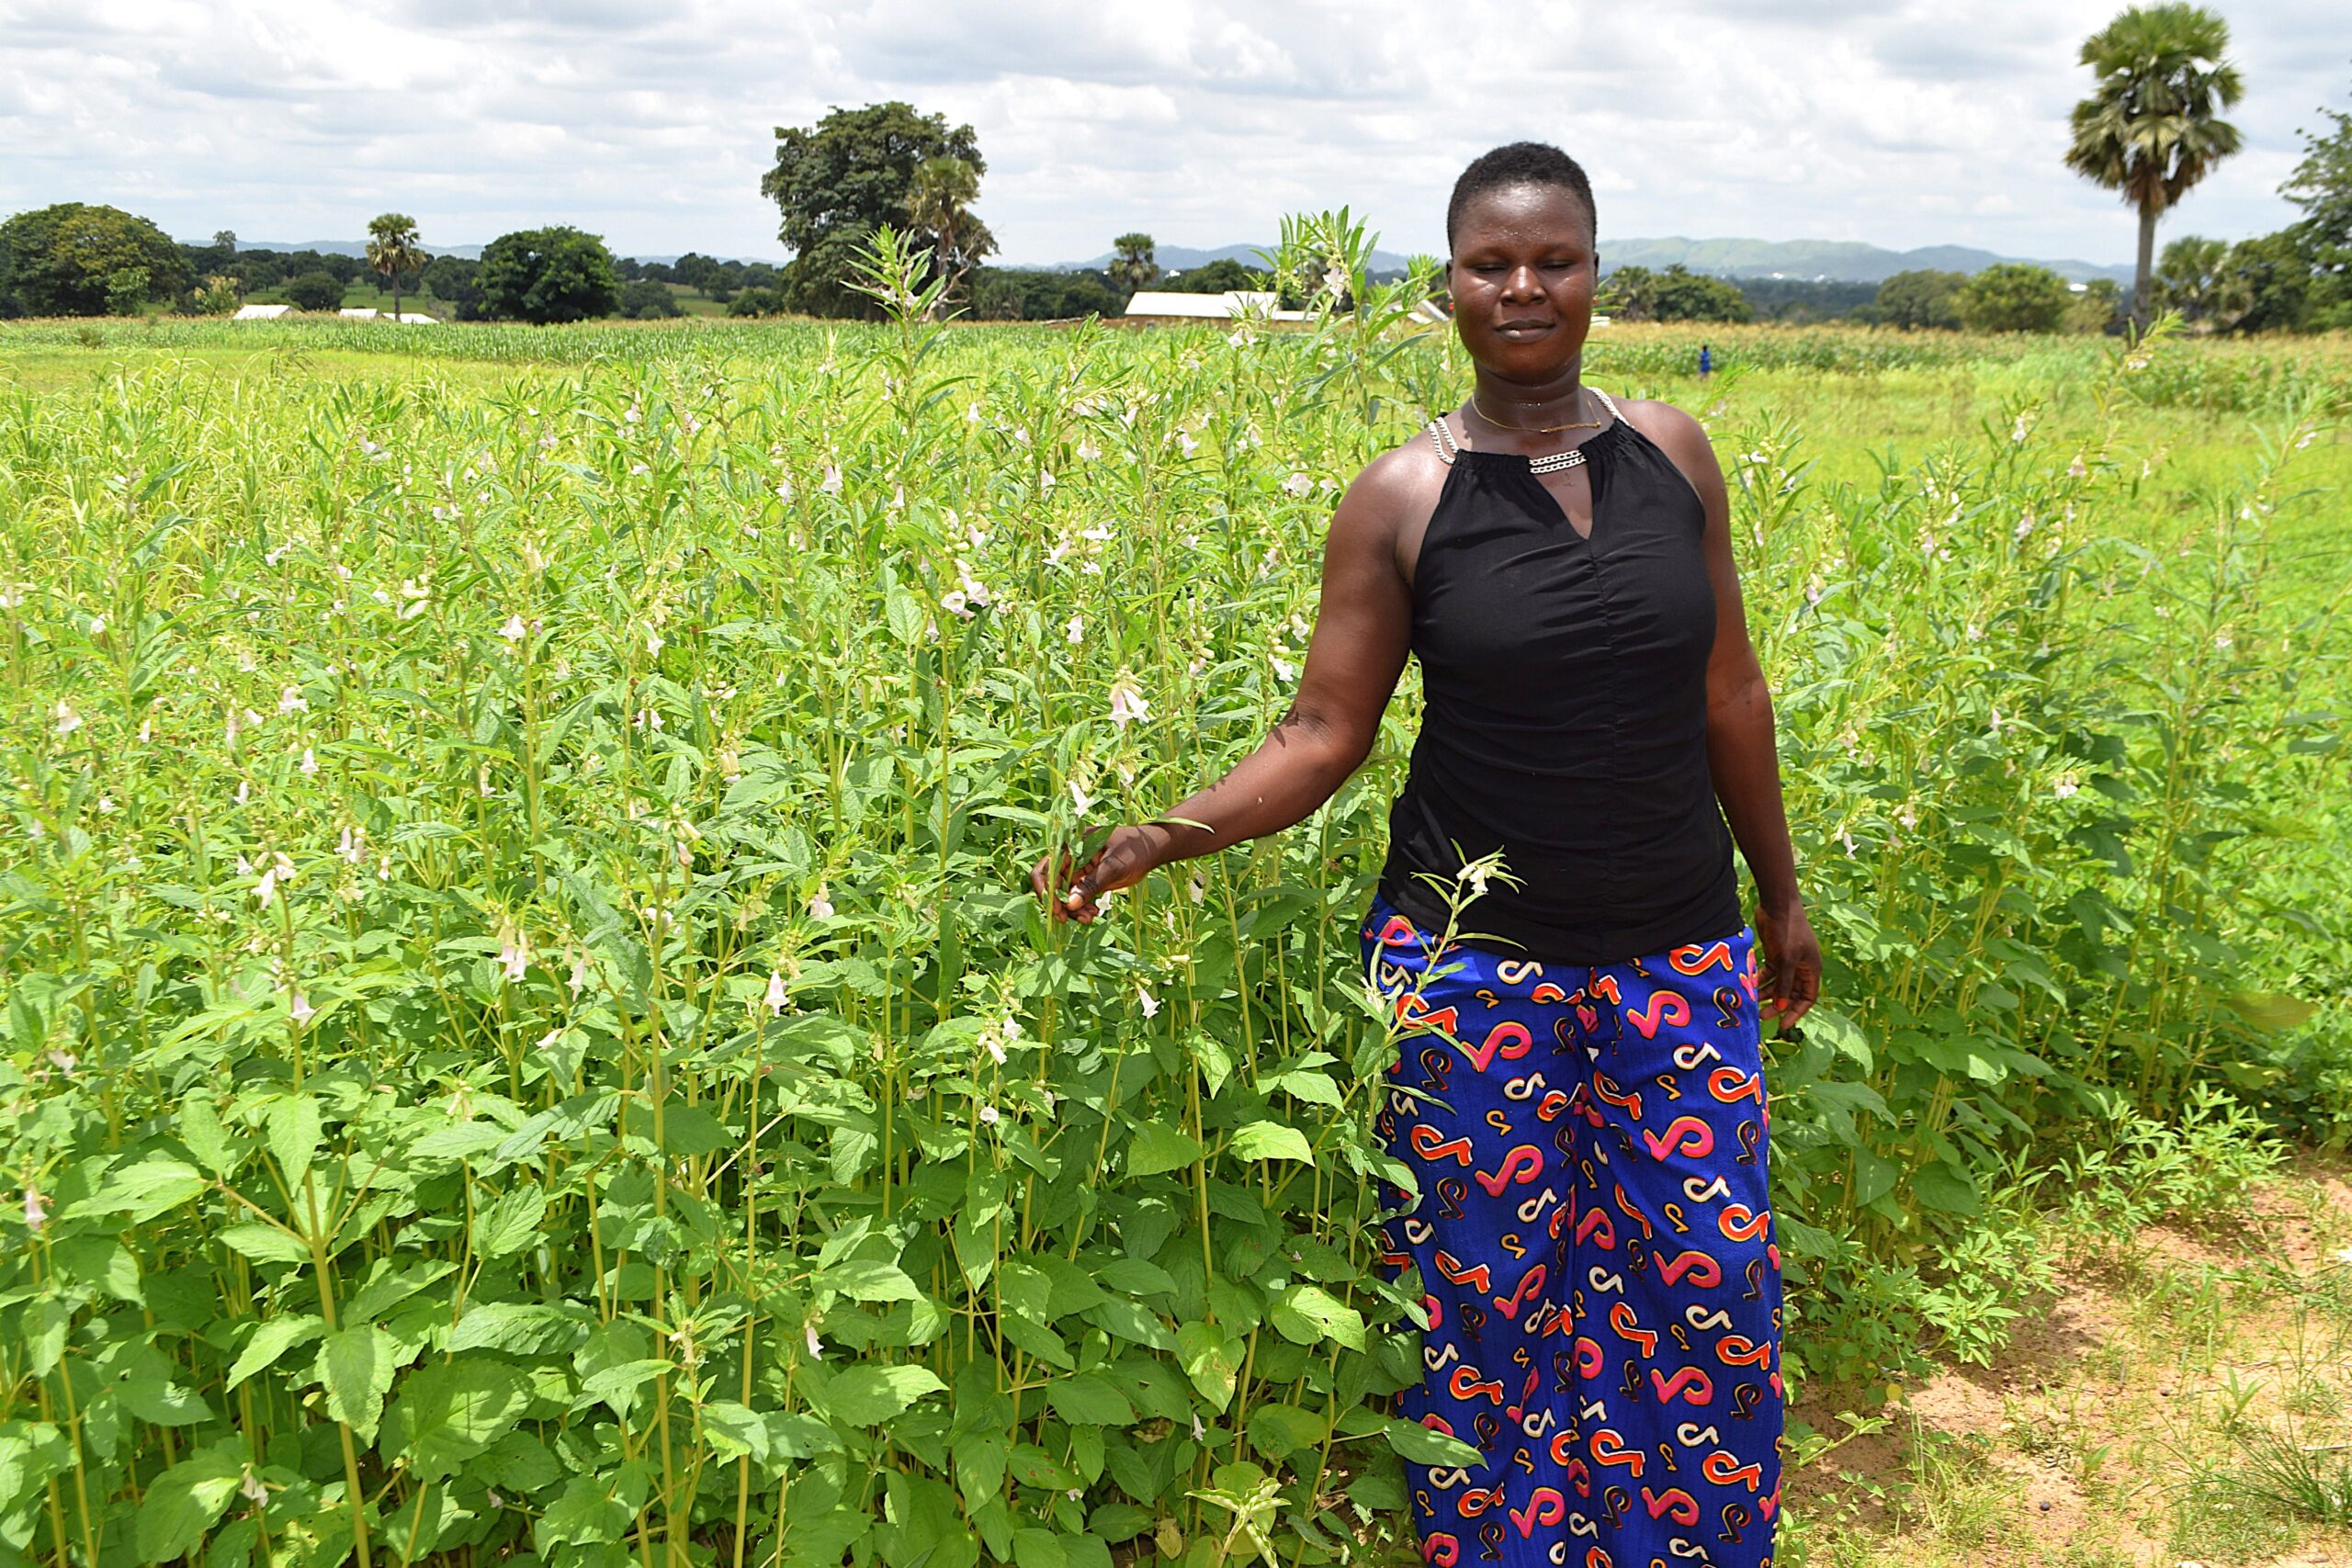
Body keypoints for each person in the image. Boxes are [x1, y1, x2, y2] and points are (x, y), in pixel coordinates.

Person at [1032, 141, 1820, 1568]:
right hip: (1471, 975)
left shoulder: (1676, 453)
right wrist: (1157, 837)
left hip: (1677, 949)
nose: (1525, 287)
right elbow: (1323, 733)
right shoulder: (1401, 497)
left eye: (1555, 259)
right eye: (1491, 263)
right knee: (1484, 1295)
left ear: (1597, 274)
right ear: (1446, 286)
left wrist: (1780, 891)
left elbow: (1731, 691)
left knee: (1703, 1280)